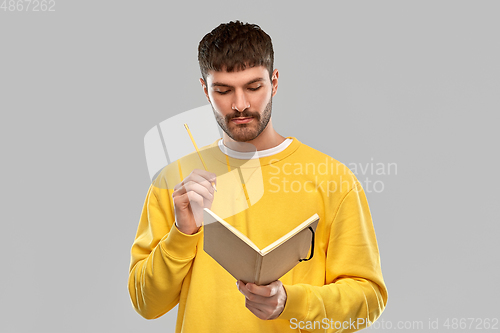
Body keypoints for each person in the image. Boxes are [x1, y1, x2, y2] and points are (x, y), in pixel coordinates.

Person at [128, 20, 388, 333]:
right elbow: (146, 304)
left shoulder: (333, 180)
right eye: (223, 90)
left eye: (254, 87)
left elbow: (369, 299)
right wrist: (182, 234)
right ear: (205, 90)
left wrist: (290, 302)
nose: (240, 105)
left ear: (274, 82)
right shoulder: (175, 181)